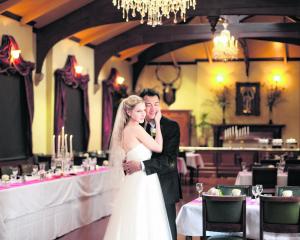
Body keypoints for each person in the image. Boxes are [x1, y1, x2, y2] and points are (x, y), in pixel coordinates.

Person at [104, 95, 172, 240]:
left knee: (132, 216)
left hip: (132, 180)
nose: (144, 114)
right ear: (129, 112)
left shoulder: (124, 131)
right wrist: (158, 123)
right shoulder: (136, 129)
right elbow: (158, 147)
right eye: (139, 111)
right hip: (143, 180)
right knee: (144, 216)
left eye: (143, 110)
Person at [124, 89, 182, 240]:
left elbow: (170, 161)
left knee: (166, 229)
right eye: (147, 105)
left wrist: (142, 165)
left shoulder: (171, 126)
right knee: (143, 228)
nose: (152, 109)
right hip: (141, 186)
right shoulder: (136, 125)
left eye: (156, 104)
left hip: (164, 186)